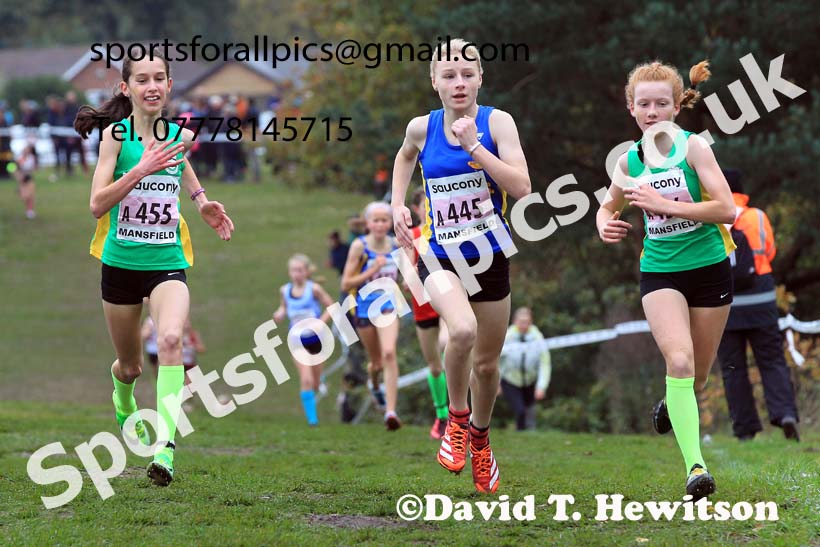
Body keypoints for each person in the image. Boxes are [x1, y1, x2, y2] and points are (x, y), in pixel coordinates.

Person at [74, 48, 234, 486]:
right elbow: (95, 205)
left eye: (159, 78)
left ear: (169, 84)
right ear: (127, 88)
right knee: (130, 366)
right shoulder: (115, 136)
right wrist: (139, 170)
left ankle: (165, 449)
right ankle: (124, 404)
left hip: (167, 262)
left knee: (169, 340)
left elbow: (183, 167)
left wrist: (202, 203)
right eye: (142, 79)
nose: (152, 86)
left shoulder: (178, 136)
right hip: (121, 265)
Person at [391, 38, 531, 493]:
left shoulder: (498, 123)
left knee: (487, 366)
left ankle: (481, 439)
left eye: (467, 74)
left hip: (490, 257)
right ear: (434, 81)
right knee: (463, 332)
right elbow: (405, 155)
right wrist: (396, 204)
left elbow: (523, 187)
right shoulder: (422, 127)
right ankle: (455, 418)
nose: (459, 83)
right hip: (441, 255)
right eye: (449, 75)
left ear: (480, 78)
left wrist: (477, 148)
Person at [596, 59, 737, 500]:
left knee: (696, 380)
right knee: (678, 361)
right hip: (660, 271)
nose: (652, 111)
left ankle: (675, 407)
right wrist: (605, 223)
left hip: (710, 267)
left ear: (677, 106)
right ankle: (696, 469)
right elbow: (607, 207)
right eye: (644, 104)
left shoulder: (695, 149)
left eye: (661, 103)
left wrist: (666, 204)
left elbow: (727, 210)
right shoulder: (628, 160)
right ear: (631, 109)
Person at [717, 169, 799, 441]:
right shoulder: (757, 217)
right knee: (772, 360)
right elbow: (770, 252)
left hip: (725, 304)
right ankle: (785, 413)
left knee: (733, 368)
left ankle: (745, 430)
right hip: (761, 299)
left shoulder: (711, 218)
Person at [341, 202, 403, 430]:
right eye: (375, 220)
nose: (380, 224)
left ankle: (390, 412)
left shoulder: (397, 245)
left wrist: (409, 281)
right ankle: (374, 384)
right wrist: (372, 270)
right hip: (364, 308)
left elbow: (407, 272)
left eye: (384, 220)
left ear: (390, 223)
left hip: (388, 307)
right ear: (367, 223)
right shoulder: (359, 247)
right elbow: (346, 283)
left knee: (389, 353)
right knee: (376, 362)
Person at [273, 254, 336, 426]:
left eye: (300, 270)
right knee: (306, 380)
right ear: (289, 272)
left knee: (315, 383)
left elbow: (331, 307)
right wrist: (280, 313)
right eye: (294, 270)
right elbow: (284, 307)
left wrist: (319, 323)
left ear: (307, 272)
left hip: (316, 340)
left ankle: (318, 384)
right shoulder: (284, 291)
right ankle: (312, 421)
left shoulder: (314, 289)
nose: (297, 274)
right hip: (296, 340)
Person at [408, 189, 449, 440]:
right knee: (434, 366)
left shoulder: (446, 232)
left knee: (448, 343)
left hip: (447, 300)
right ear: (416, 209)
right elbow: (407, 276)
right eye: (425, 204)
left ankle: (460, 414)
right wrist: (412, 275)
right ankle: (441, 415)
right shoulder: (410, 236)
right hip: (422, 305)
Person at [499, 307, 551, 431]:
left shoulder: (538, 338)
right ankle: (520, 432)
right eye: (521, 321)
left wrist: (541, 386)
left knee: (530, 411)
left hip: (530, 381)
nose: (524, 325)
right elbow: (497, 360)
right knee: (520, 410)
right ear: (515, 321)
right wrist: (495, 383)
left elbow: (545, 363)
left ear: (531, 322)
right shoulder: (507, 337)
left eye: (526, 322)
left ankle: (529, 435)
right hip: (510, 380)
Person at [14, 142, 37, 219]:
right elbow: (13, 168)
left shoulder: (31, 158)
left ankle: (30, 211)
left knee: (30, 195)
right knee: (25, 196)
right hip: (22, 180)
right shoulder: (20, 158)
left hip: (29, 178)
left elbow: (33, 168)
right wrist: (17, 175)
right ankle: (28, 209)